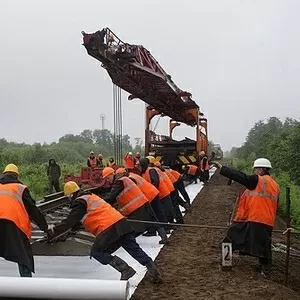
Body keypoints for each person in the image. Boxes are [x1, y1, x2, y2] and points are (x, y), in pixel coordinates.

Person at [49, 181, 162, 282]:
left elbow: (70, 220)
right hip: (121, 223)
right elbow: (78, 221)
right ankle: (154, 271)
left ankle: (125, 269)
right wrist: (70, 230)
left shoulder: (79, 202)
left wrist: (55, 230)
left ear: (70, 195)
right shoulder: (90, 196)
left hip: (108, 227)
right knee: (133, 248)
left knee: (97, 252)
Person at [212, 158, 280, 276]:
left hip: (253, 217)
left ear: (261, 169)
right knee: (263, 246)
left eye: (256, 169)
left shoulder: (257, 180)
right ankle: (265, 269)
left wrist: (222, 168)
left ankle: (225, 261)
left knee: (232, 236)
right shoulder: (275, 184)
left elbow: (240, 176)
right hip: (265, 220)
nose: (254, 172)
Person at [0, 164, 51, 277]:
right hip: (13, 223)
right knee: (23, 256)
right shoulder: (19, 188)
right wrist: (45, 228)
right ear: (17, 176)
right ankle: (27, 282)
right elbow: (33, 210)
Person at [102, 167, 168, 244]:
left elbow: (111, 196)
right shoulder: (124, 179)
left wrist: (101, 202)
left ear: (112, 174)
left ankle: (129, 242)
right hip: (143, 201)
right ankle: (164, 237)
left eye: (107, 178)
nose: (107, 180)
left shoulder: (120, 182)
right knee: (153, 220)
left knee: (131, 226)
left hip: (136, 206)